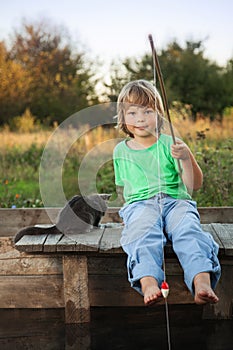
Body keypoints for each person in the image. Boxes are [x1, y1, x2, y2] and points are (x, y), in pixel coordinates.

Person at [113, 79, 221, 306]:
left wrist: (186, 157)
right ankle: (149, 282)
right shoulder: (120, 151)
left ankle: (201, 281)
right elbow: (125, 189)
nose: (140, 118)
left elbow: (195, 185)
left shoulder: (172, 144)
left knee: (189, 232)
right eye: (132, 112)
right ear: (123, 117)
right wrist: (130, 216)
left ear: (159, 115)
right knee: (142, 234)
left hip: (175, 202)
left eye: (147, 111)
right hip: (141, 204)